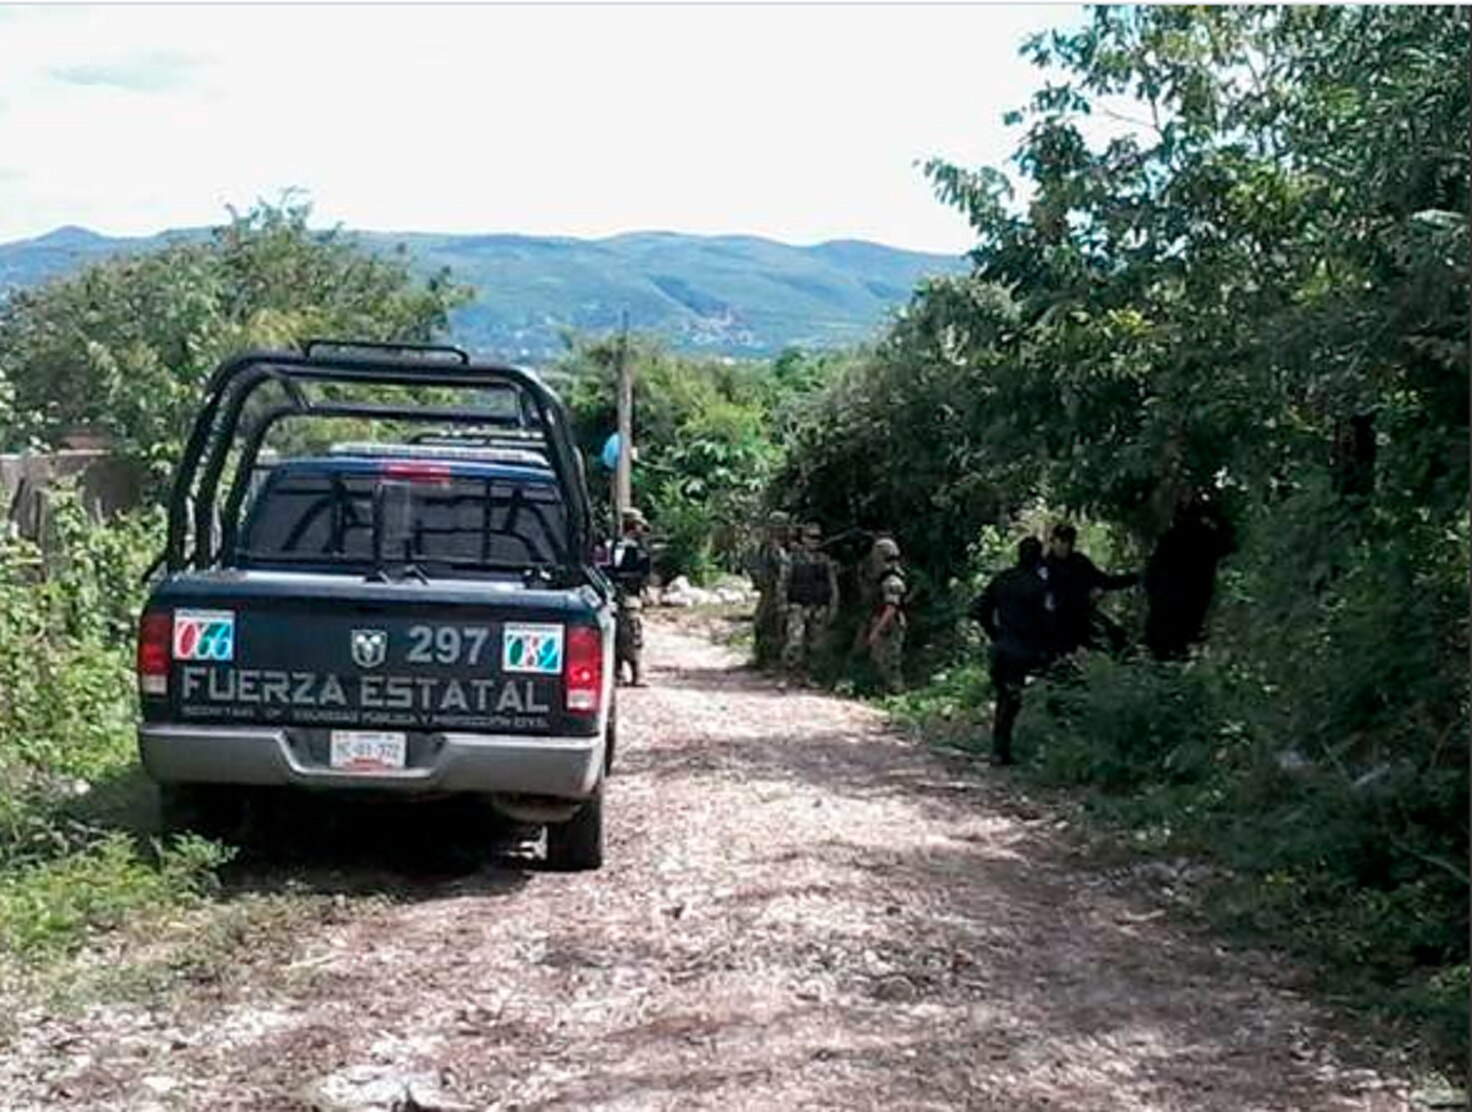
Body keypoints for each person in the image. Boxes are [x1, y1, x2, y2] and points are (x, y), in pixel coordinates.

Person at [969, 536, 1054, 766]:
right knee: (1053, 690)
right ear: (1038, 559)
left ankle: (1000, 750)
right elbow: (1048, 622)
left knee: (1006, 699)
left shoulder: (1002, 580)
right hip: (1029, 651)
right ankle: (1049, 748)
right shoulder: (1039, 586)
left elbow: (978, 610)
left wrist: (995, 634)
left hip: (1004, 649)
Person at [1143, 491, 1236, 661]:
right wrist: (1218, 517)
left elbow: (1150, 576)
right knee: (1180, 653)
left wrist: (1154, 599)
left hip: (1165, 607)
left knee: (1160, 656)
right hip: (1190, 607)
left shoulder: (1168, 540)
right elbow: (1230, 544)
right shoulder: (1206, 537)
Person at [1044, 522, 1138, 656]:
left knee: (1116, 636)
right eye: (1061, 541)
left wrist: (1135, 578)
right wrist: (1084, 598)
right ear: (1053, 541)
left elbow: (1104, 581)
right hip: (1058, 621)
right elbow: (1050, 599)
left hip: (1083, 616)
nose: (1064, 545)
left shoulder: (1079, 562)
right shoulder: (1045, 567)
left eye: (1068, 541)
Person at [779, 522, 839, 684]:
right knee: (795, 642)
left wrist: (833, 607)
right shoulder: (793, 559)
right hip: (797, 606)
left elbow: (833, 587)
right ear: (803, 538)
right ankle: (786, 674)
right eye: (811, 537)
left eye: (817, 538)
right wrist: (783, 604)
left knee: (816, 645)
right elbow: (784, 583)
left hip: (818, 607)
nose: (814, 541)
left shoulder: (825, 561)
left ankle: (808, 676)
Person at [611, 508, 653, 686]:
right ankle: (635, 674)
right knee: (632, 634)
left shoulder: (611, 547)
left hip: (613, 597)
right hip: (627, 598)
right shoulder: (634, 550)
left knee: (618, 634)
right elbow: (641, 575)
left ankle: (618, 673)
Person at [861, 536, 908, 694]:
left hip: (890, 624)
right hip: (883, 622)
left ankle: (896, 694)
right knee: (880, 660)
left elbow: (891, 608)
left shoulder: (892, 580)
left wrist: (876, 630)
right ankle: (885, 693)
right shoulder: (883, 577)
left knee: (891, 662)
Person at [750, 511, 791, 669]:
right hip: (769, 590)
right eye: (775, 526)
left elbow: (785, 566)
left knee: (778, 625)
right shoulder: (767, 546)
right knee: (761, 623)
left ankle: (775, 661)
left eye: (780, 526)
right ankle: (763, 658)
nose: (777, 530)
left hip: (783, 591)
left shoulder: (786, 547)